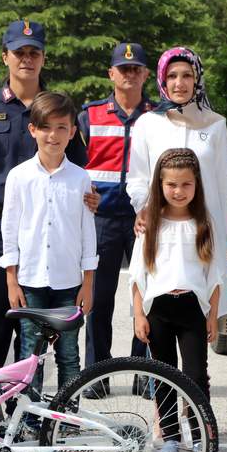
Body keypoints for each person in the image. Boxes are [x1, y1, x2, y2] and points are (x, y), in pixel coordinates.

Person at [0, 19, 92, 448]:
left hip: (47, 232)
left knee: (30, 333)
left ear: (43, 58)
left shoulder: (59, 109)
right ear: (5, 56)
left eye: (34, 52)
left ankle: (24, 416)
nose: (26, 58)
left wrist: (92, 201)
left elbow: (81, 172)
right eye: (19, 52)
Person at [126, 46, 227, 323]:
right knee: (154, 317)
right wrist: (142, 208)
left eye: (187, 75)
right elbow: (137, 178)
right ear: (162, 80)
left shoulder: (215, 125)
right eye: (172, 75)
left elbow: (223, 187)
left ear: (197, 79)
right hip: (161, 231)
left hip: (202, 234)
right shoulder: (148, 124)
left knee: (199, 325)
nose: (180, 83)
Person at [0, 91, 97, 393]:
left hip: (68, 282)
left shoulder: (81, 179)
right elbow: (10, 230)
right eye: (45, 127)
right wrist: (12, 281)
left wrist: (88, 283)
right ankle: (30, 421)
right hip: (30, 281)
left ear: (72, 132)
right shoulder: (19, 177)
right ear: (33, 130)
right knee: (30, 354)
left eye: (61, 128)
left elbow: (87, 234)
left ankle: (67, 420)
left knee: (69, 354)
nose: (53, 135)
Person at [129, 148, 222, 452]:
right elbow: (137, 275)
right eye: (172, 185)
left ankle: (201, 436)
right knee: (164, 374)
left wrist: (212, 315)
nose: (179, 191)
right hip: (159, 311)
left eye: (186, 185)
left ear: (196, 186)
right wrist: (139, 314)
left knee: (195, 374)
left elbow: (215, 274)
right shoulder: (150, 224)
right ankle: (169, 436)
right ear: (160, 185)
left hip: (193, 309)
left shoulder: (204, 223)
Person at [77, 42, 153, 399]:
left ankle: (145, 373)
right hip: (102, 219)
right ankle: (96, 376)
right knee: (98, 300)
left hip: (145, 220)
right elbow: (72, 165)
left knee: (148, 297)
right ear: (111, 74)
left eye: (136, 68)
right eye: (123, 69)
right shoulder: (89, 116)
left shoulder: (158, 116)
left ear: (146, 74)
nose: (129, 74)